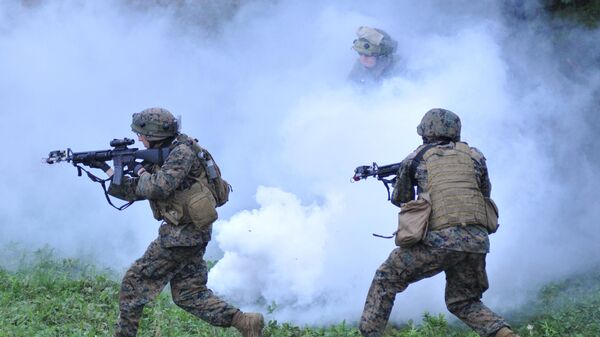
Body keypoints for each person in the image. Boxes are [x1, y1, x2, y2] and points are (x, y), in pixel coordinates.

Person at [89, 107, 264, 337]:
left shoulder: (181, 153)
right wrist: (108, 169)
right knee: (189, 294)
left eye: (142, 135)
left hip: (180, 236)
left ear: (154, 135)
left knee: (133, 284)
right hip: (192, 233)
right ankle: (245, 322)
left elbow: (158, 187)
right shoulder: (170, 150)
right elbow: (139, 190)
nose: (139, 139)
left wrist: (137, 170)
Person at [358, 108, 520, 337]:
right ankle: (506, 335)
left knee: (386, 279)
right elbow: (484, 192)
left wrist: (407, 181)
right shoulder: (475, 156)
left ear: (426, 132)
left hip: (440, 241)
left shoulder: (416, 157)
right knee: (464, 301)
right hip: (476, 241)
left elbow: (401, 200)